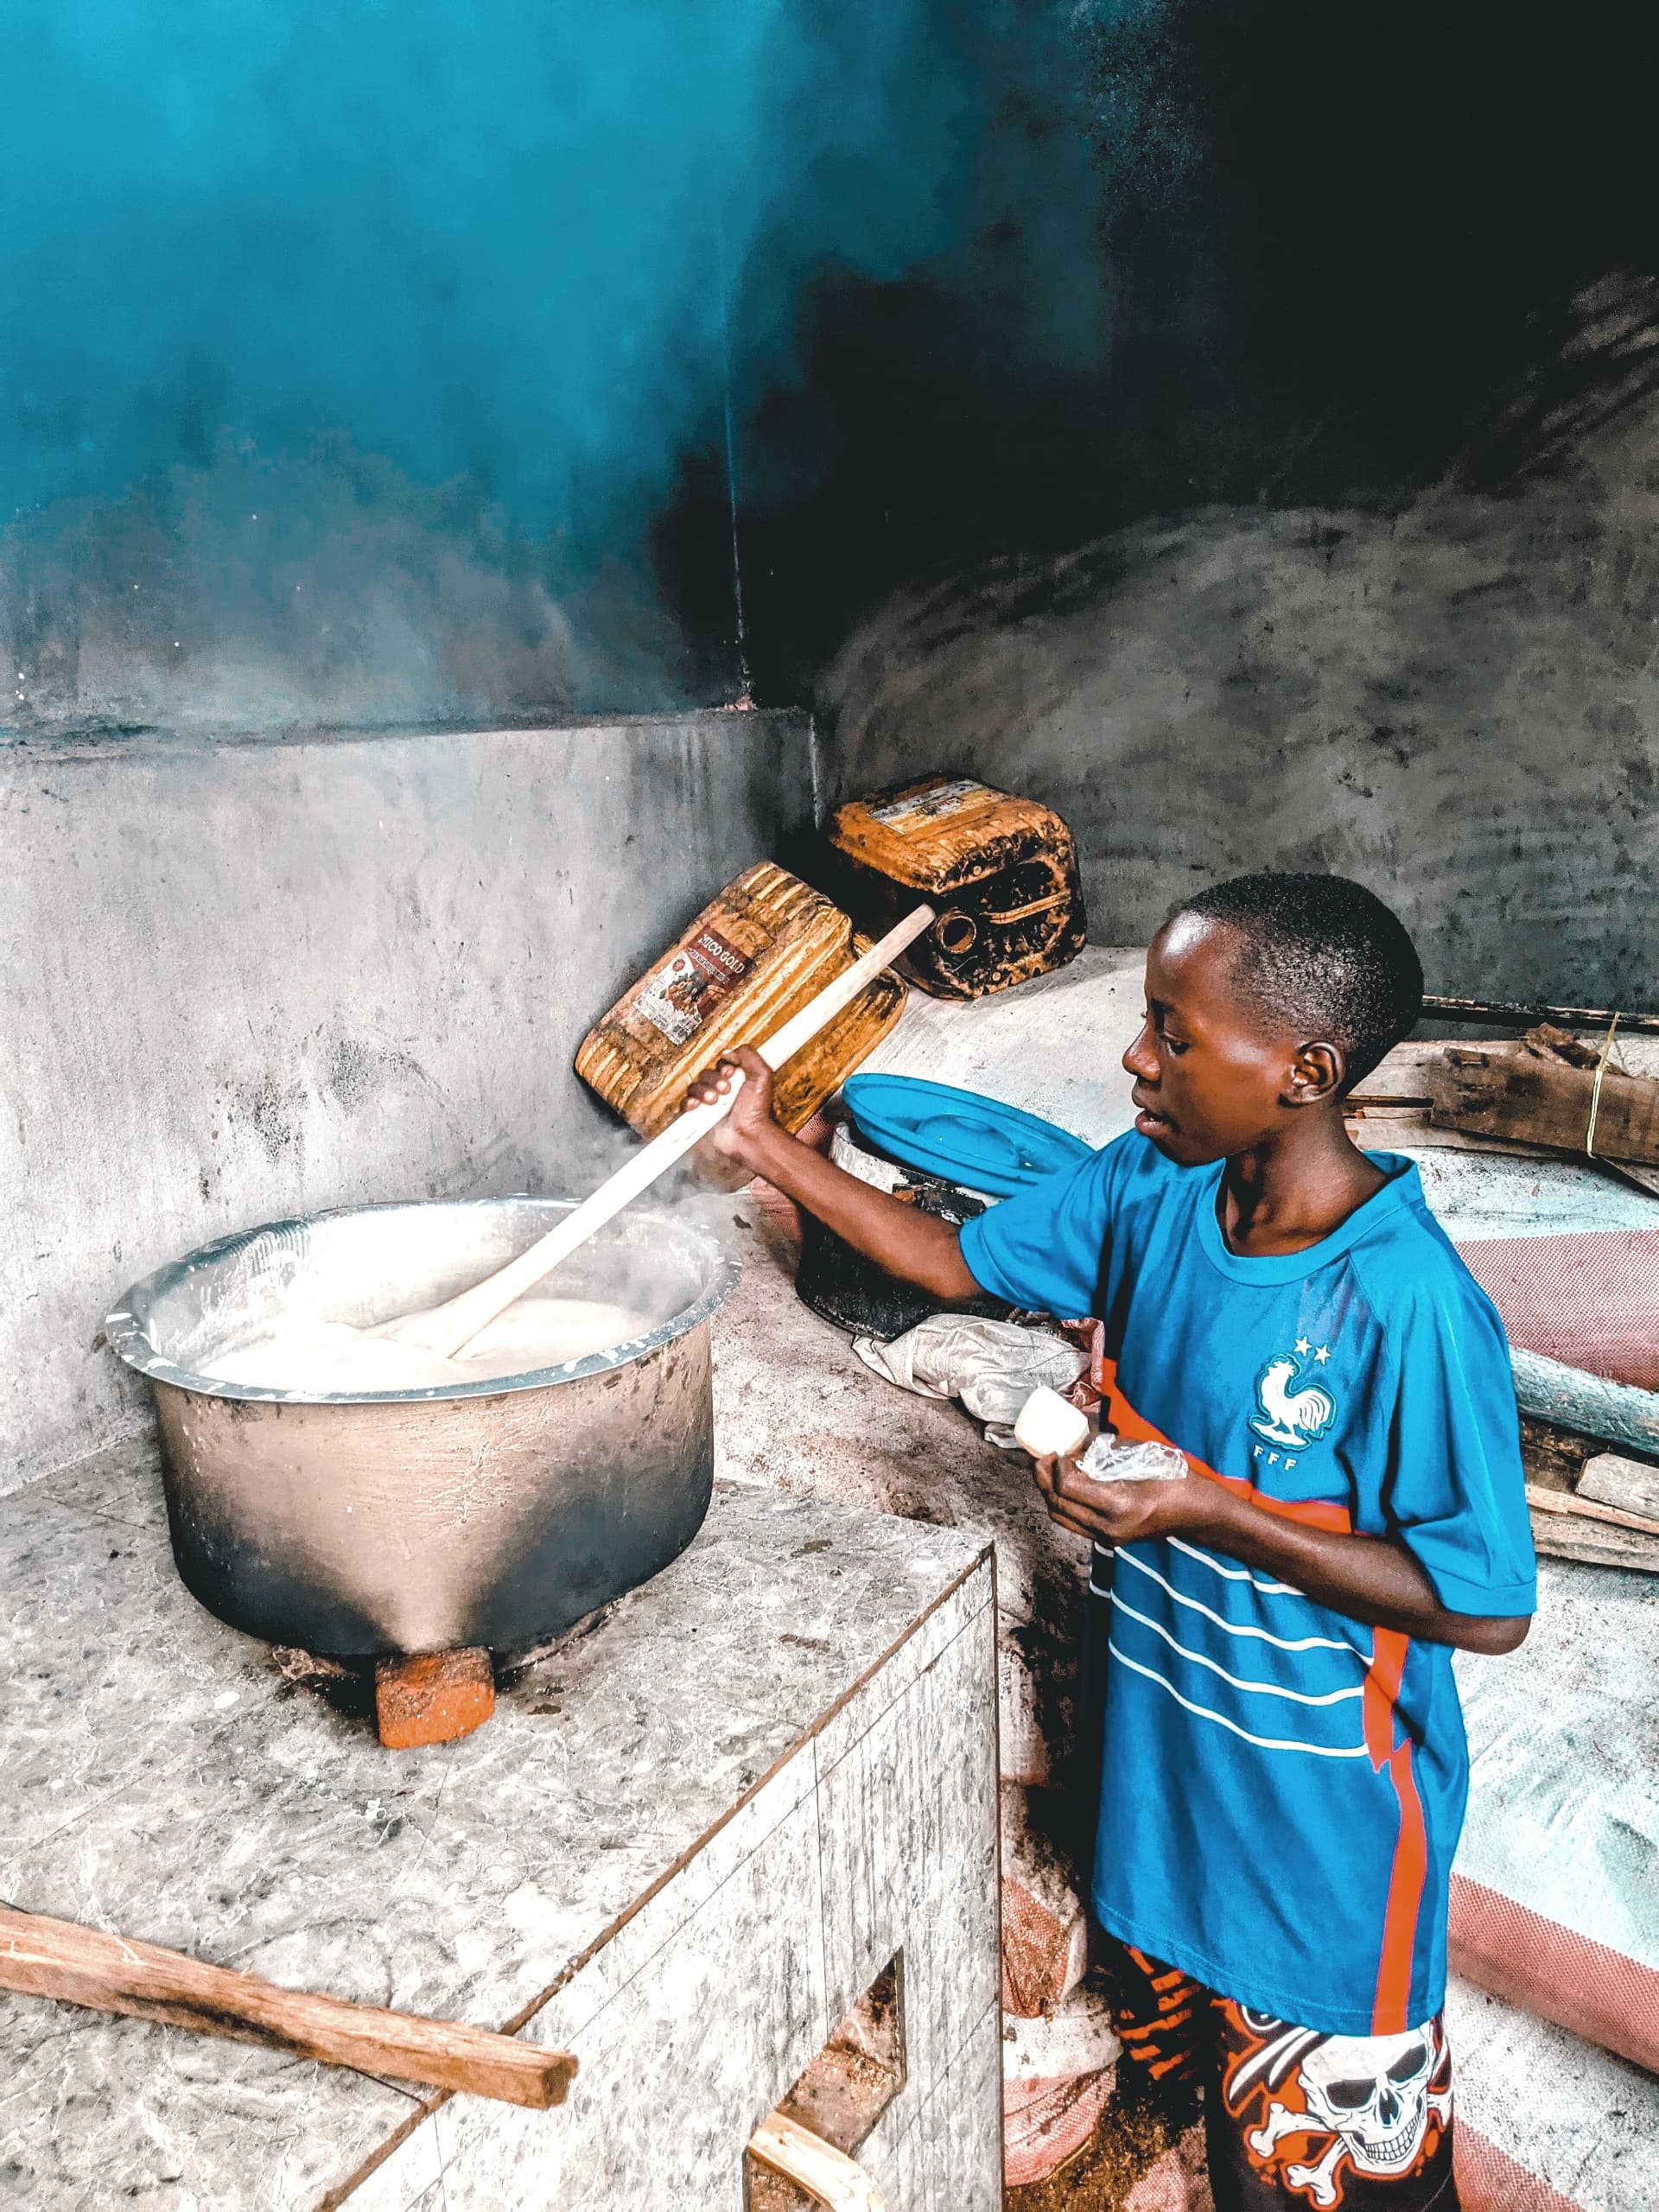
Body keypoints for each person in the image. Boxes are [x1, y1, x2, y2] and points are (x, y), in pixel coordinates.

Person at [689, 872, 1535, 2211]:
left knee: (1333, 2189)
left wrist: (1212, 1509)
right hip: (1176, 1792)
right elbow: (958, 1265)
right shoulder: (1154, 1185)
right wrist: (769, 1147)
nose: (1135, 1058)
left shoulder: (1402, 1302)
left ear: (1304, 1070)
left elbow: (1486, 1605)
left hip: (1324, 1848)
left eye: (1173, 1034)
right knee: (1217, 2130)